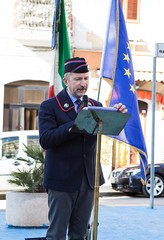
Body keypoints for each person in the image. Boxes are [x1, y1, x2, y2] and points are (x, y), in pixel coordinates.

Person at [38, 57, 127, 240]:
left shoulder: (95, 106)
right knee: (56, 234)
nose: (83, 83)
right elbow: (46, 140)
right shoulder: (50, 106)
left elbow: (107, 130)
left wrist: (116, 115)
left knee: (80, 234)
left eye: (86, 78)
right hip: (61, 180)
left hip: (88, 180)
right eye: (78, 79)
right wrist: (76, 123)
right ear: (66, 80)